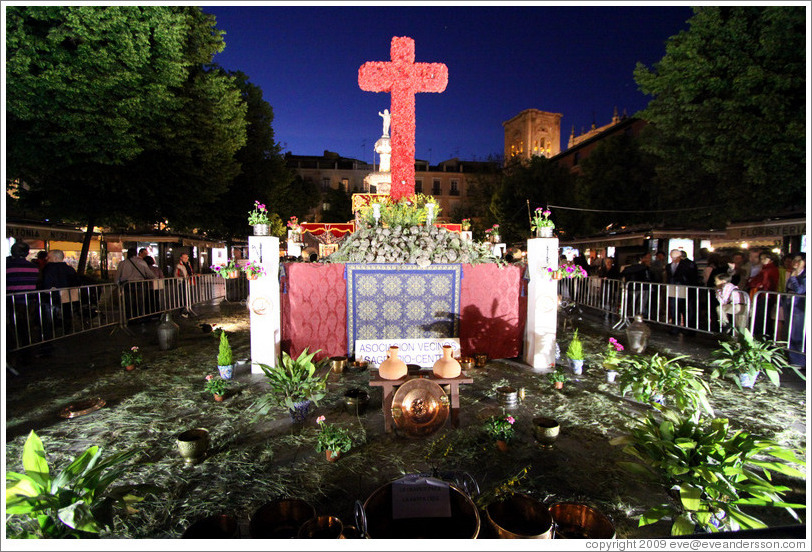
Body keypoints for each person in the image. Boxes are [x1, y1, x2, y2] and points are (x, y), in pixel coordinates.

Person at [38, 249, 81, 337]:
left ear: (55, 258)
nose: (47, 258)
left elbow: (46, 283)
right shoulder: (69, 269)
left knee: (49, 318)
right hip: (67, 297)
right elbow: (76, 282)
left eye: (49, 257)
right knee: (66, 314)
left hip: (51, 298)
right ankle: (66, 331)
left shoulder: (49, 268)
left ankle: (49, 336)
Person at [6, 242, 40, 348]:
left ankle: (15, 347)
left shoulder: (7, 267)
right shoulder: (34, 268)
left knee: (13, 325)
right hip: (28, 301)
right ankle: (27, 346)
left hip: (12, 301)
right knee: (26, 325)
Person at [116, 247, 157, 321]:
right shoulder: (141, 262)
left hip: (127, 284)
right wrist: (155, 278)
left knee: (128, 302)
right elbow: (149, 273)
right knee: (139, 302)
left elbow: (117, 276)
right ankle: (139, 317)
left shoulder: (123, 263)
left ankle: (129, 318)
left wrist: (117, 284)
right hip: (139, 284)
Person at [665, 249, 698, 334]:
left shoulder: (689, 264)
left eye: (675, 257)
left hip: (685, 289)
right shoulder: (669, 266)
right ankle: (675, 327)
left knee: (687, 309)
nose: (673, 259)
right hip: (673, 289)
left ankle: (689, 329)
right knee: (674, 308)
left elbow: (693, 277)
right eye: (672, 257)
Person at [749, 252, 779, 339]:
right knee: (763, 317)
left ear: (771, 259)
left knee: (761, 317)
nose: (762, 260)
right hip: (766, 295)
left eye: (764, 258)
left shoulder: (767, 270)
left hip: (765, 295)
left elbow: (759, 283)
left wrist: (752, 282)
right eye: (761, 258)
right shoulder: (767, 269)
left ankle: (761, 337)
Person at [784, 255, 806, 367]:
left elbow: (800, 290)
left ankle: (799, 360)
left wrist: (793, 277)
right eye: (794, 260)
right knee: (790, 332)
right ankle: (793, 359)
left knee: (798, 333)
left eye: (798, 261)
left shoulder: (804, 275)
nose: (795, 262)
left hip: (799, 306)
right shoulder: (793, 273)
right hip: (790, 304)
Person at [175, 253, 195, 318]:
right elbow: (176, 274)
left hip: (188, 282)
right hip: (182, 282)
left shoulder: (188, 264)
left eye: (187, 258)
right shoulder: (179, 265)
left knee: (187, 296)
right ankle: (183, 310)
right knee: (183, 296)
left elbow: (190, 272)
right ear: (181, 258)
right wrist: (183, 277)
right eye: (184, 258)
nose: (186, 259)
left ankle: (187, 308)